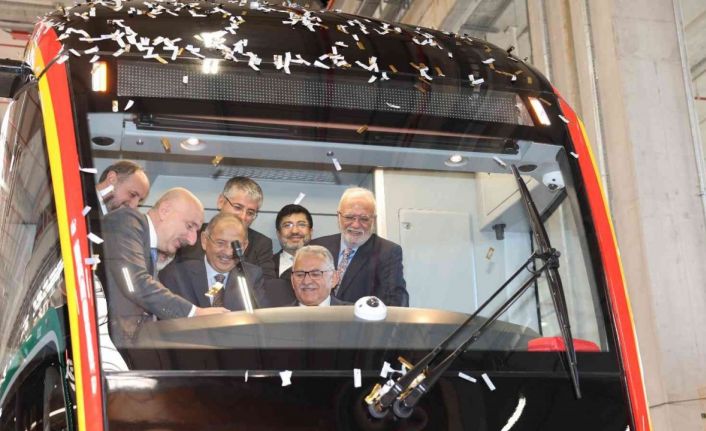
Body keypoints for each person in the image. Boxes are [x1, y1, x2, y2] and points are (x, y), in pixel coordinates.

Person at [102, 188, 227, 345]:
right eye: (189, 226)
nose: (192, 240)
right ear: (164, 211)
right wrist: (195, 313)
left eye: (196, 231)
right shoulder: (126, 220)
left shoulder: (149, 249)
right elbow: (135, 283)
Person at [310, 187, 409, 306]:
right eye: (349, 217)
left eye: (364, 219)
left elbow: (396, 304)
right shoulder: (316, 247)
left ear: (373, 220)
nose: (356, 225)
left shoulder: (388, 253)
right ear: (338, 216)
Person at [160, 213, 267, 311]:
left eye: (235, 245)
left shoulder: (251, 276)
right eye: (220, 243)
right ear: (204, 241)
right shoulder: (177, 275)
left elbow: (261, 319)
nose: (228, 252)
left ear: (244, 246)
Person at [179, 177, 277, 279]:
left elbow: (267, 284)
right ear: (221, 202)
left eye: (250, 212)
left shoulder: (261, 244)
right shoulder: (192, 234)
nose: (242, 216)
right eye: (238, 207)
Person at [273, 204, 313, 280]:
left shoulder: (325, 263)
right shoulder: (265, 265)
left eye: (301, 224)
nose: (295, 231)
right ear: (278, 233)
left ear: (311, 232)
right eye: (287, 225)